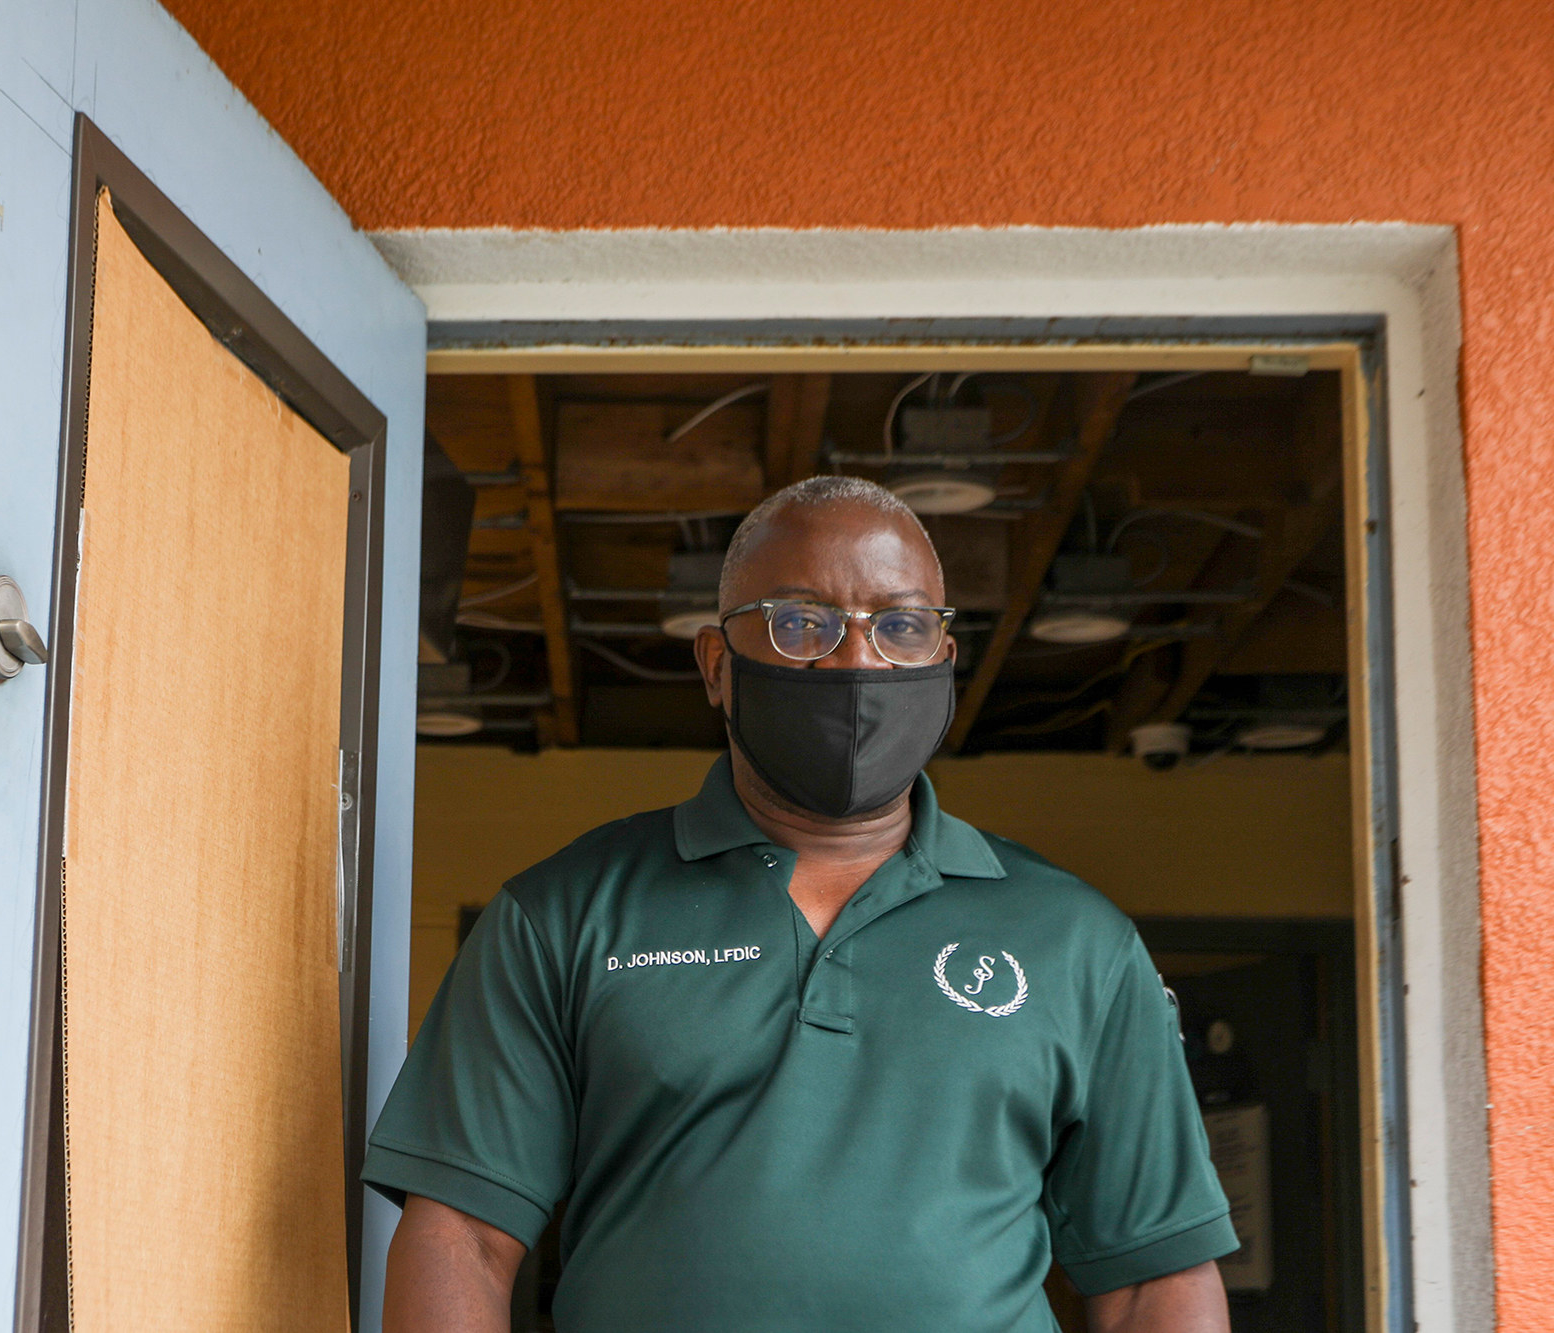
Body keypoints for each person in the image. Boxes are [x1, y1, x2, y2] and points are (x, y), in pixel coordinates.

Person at [363, 476, 1236, 1332]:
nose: (857, 659)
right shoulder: (565, 914)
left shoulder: (1075, 939)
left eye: (899, 626)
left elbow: (1154, 1282)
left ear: (941, 658)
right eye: (800, 624)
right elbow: (463, 1240)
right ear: (717, 663)